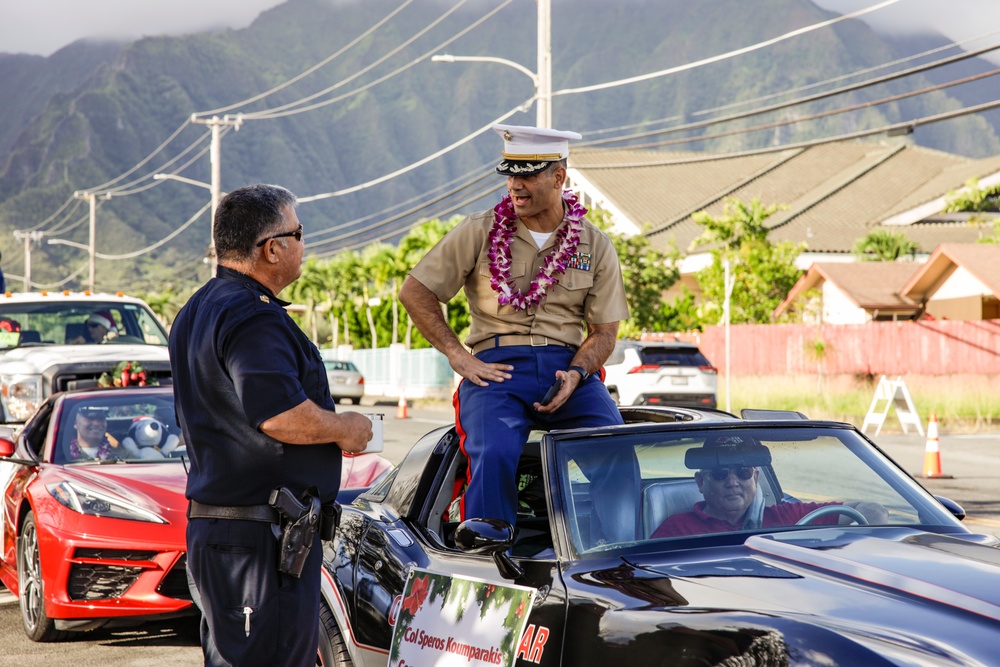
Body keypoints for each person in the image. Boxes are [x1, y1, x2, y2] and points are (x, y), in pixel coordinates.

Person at [169, 183, 373, 667]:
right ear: (272, 248)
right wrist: (345, 427)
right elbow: (279, 416)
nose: (304, 243)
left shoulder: (199, 308)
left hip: (227, 533)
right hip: (258, 543)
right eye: (299, 232)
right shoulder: (252, 317)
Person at [399, 124, 634, 543]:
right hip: (497, 370)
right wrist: (459, 356)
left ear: (558, 177)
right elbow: (416, 292)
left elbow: (603, 333)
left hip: (570, 371)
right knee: (495, 452)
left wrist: (578, 374)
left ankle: (615, 553)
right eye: (510, 174)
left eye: (527, 175)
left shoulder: (595, 244)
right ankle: (491, 555)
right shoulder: (479, 229)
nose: (515, 185)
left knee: (614, 449)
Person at [652, 433, 888, 538]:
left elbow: (873, 512)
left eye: (743, 472)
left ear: (755, 478)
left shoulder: (788, 516)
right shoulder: (676, 530)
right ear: (701, 482)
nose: (733, 482)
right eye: (721, 474)